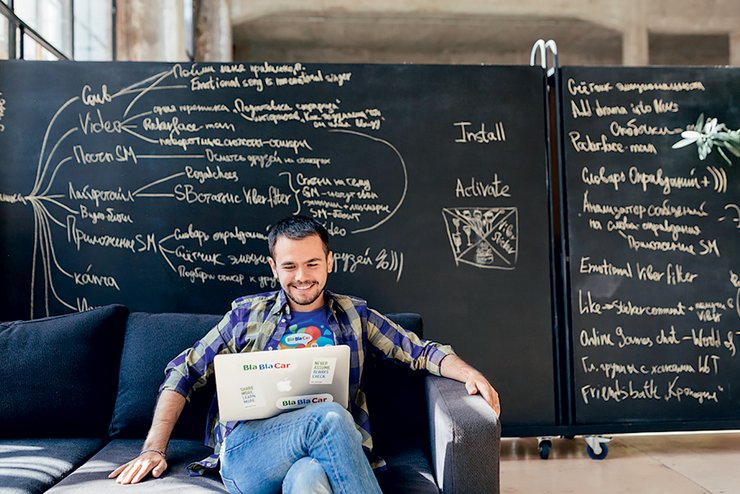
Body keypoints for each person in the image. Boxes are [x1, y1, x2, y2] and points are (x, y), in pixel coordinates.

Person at [110, 215, 501, 493]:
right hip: (250, 455)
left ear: (329, 261)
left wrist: (469, 373)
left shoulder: (355, 315)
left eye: (312, 263)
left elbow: (420, 351)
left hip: (323, 454)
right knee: (329, 417)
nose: (302, 276)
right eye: (290, 266)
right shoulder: (246, 315)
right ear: (274, 268)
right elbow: (184, 371)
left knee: (309, 478)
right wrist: (153, 449)